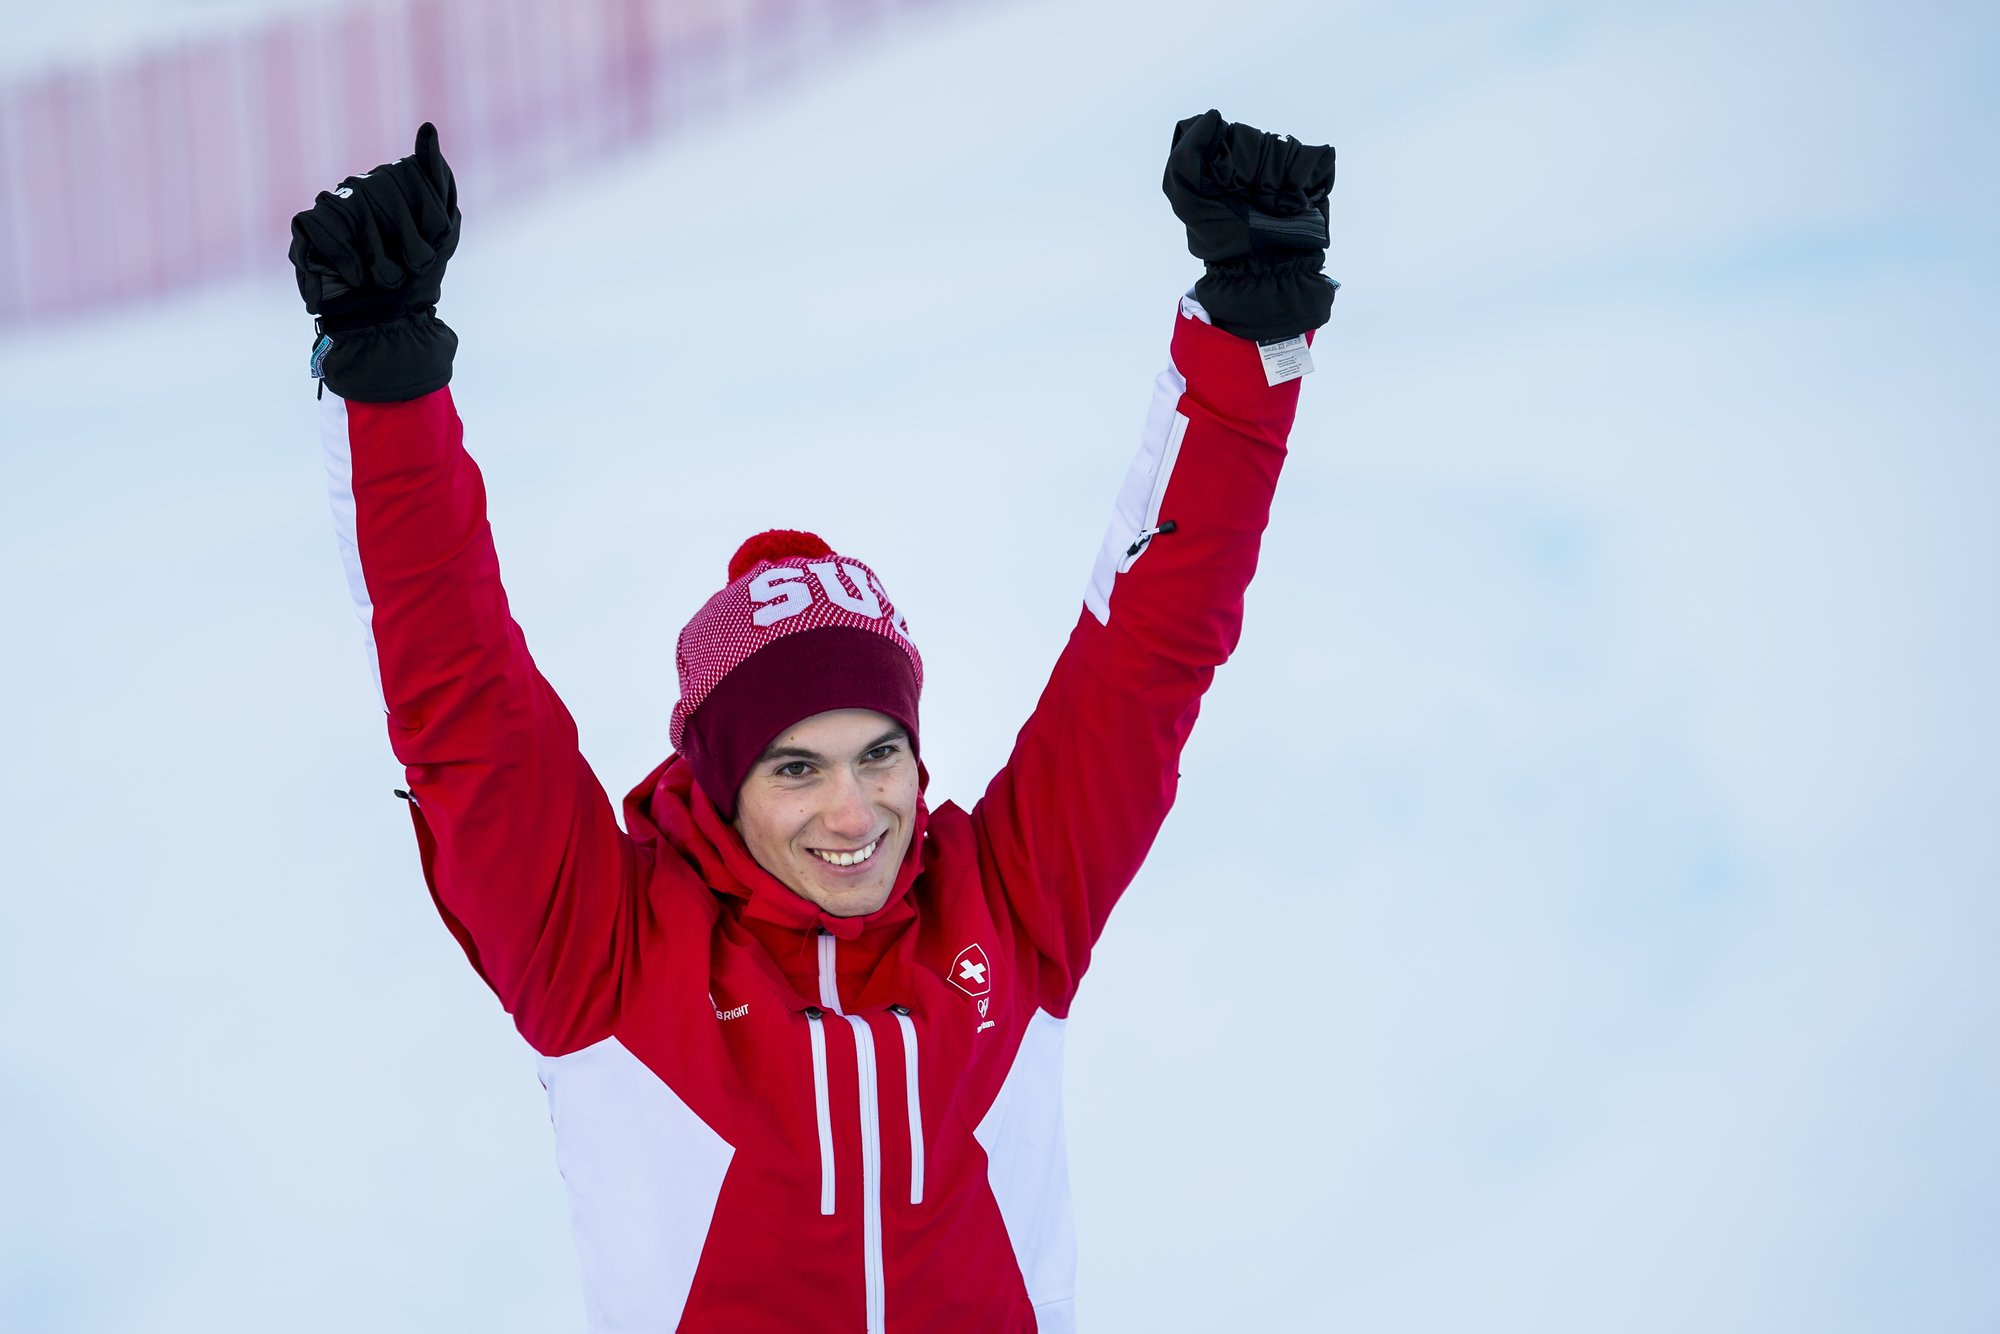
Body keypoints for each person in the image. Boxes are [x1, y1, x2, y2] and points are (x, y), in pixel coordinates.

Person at [290, 111, 1335, 1333]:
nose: (856, 810)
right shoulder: (607, 955)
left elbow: (1149, 653)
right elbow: (459, 700)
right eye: (796, 766)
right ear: (718, 786)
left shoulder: (1007, 906)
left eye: (878, 751)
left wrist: (1249, 338)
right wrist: (387, 381)